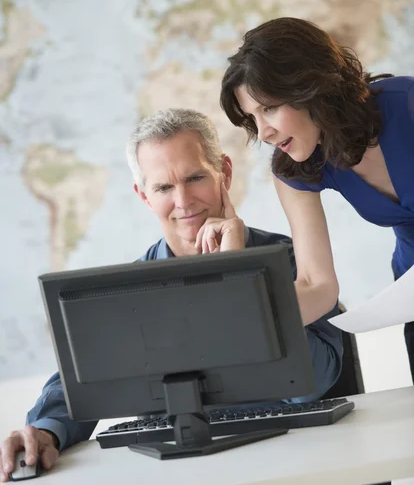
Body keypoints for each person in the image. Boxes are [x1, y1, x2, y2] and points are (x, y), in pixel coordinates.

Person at [0, 108, 342, 481]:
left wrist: (237, 274)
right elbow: (78, 383)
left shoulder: (294, 263)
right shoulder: (127, 289)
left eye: (195, 177)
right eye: (163, 187)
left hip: (287, 462)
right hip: (177, 471)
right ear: (144, 196)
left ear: (224, 173)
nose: (183, 201)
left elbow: (316, 382)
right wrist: (46, 431)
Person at [220, 16, 414, 381]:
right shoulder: (294, 171)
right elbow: (315, 284)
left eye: (269, 108)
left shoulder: (408, 106)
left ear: (311, 88)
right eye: (252, 117)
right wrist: (249, 320)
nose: (263, 132)